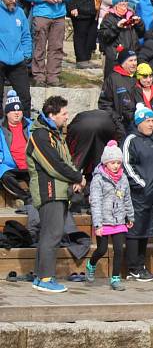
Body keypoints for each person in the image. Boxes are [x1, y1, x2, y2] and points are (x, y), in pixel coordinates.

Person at [27, 96, 85, 293]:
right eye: (63, 114)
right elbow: (53, 165)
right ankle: (45, 277)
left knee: (50, 234)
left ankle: (38, 276)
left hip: (60, 192)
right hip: (48, 192)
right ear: (51, 115)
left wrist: (76, 179)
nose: (66, 117)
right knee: (51, 235)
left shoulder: (56, 134)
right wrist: (76, 177)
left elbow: (66, 160)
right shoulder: (40, 136)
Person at [123, 104, 153, 282]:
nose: (152, 124)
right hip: (138, 195)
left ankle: (141, 266)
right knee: (135, 231)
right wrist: (141, 184)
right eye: (148, 121)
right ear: (139, 122)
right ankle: (133, 267)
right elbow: (127, 165)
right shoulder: (131, 140)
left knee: (146, 230)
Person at [86, 140, 134, 291]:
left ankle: (115, 278)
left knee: (119, 249)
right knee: (102, 249)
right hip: (104, 220)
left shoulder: (123, 178)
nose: (115, 166)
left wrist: (130, 216)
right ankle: (91, 264)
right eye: (112, 162)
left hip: (119, 219)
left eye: (118, 163)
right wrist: (98, 224)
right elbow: (95, 202)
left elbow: (127, 198)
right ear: (106, 163)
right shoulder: (98, 179)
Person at [25, 0, 74, 87]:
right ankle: (39, 76)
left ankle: (53, 77)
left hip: (59, 15)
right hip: (41, 14)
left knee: (56, 47)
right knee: (39, 46)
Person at [0, 0, 32, 115]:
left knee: (24, 96)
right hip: (1, 60)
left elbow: (26, 35)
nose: (14, 1)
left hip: (18, 62)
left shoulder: (20, 13)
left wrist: (26, 54)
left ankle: (26, 125)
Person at [98, 0, 144, 77]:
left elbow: (141, 34)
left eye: (126, 4)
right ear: (115, 5)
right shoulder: (108, 18)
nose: (124, 7)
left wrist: (139, 23)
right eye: (122, 4)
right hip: (116, 57)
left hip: (132, 56)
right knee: (114, 82)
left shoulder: (131, 15)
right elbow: (104, 37)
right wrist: (117, 27)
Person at [97, 46, 138, 141]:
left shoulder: (140, 77)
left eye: (135, 60)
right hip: (120, 127)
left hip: (138, 125)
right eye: (130, 60)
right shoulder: (113, 78)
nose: (134, 63)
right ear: (123, 63)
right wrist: (117, 121)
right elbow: (104, 104)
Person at [0, 91, 32, 205]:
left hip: (29, 164)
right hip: (10, 165)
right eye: (13, 110)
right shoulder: (1, 128)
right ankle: (26, 198)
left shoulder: (31, 126)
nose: (17, 113)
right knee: (4, 174)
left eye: (19, 110)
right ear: (7, 113)